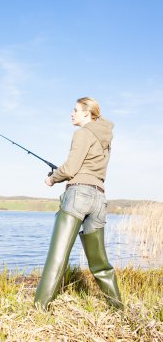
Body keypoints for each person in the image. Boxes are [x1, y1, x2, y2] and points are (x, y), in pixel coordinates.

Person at [34, 97, 123, 310]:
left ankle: (39, 308)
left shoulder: (82, 133)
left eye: (75, 110)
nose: (72, 114)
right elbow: (90, 167)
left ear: (87, 113)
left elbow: (71, 168)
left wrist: (52, 178)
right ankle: (118, 308)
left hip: (78, 197)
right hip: (99, 199)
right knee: (100, 264)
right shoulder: (106, 139)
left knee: (57, 257)